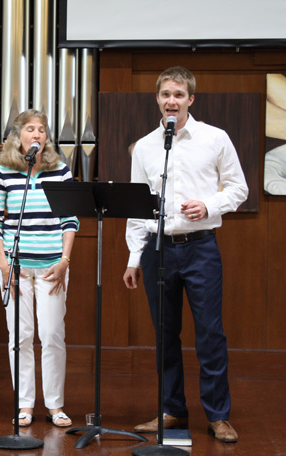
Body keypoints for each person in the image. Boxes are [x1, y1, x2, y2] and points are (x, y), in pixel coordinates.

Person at [123, 66, 248, 443]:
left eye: (179, 94)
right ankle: (173, 409)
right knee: (165, 337)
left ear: (190, 99)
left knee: (210, 335)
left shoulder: (214, 138)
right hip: (158, 251)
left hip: (200, 248)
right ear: (158, 100)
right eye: (165, 95)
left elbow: (239, 189)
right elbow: (137, 207)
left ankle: (218, 415)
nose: (171, 101)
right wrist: (133, 257)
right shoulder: (145, 146)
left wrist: (209, 206)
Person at [0, 109, 78, 427]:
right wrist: (4, 265)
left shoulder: (61, 171)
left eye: (41, 129)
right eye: (30, 129)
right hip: (15, 267)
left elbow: (70, 219)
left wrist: (65, 260)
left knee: (52, 335)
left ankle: (55, 405)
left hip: (53, 266)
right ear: (18, 137)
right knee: (20, 336)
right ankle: (24, 405)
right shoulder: (4, 173)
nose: (37, 134)